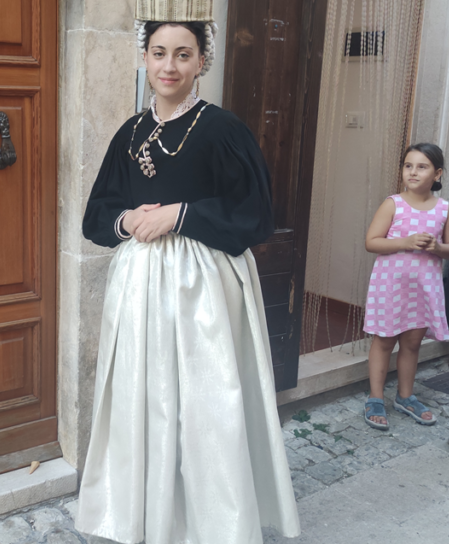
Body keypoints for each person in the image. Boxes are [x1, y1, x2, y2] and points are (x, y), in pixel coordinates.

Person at [74, 1, 300, 542]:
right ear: (144, 59)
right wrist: (128, 219)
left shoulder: (223, 130)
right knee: (142, 400)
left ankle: (213, 522)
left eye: (183, 54)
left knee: (205, 405)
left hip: (204, 288)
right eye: (159, 54)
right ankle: (145, 516)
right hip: (139, 285)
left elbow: (256, 216)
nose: (169, 66)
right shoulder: (130, 133)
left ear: (203, 60)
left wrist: (182, 215)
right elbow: (97, 215)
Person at [361, 143, 449, 430]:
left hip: (423, 288)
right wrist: (404, 242)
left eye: (422, 166)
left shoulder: (444, 210)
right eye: (408, 165)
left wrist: (438, 247)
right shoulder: (393, 204)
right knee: (383, 340)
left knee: (413, 342)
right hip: (389, 286)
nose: (413, 172)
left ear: (437, 173)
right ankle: (375, 397)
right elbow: (372, 242)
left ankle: (405, 396)